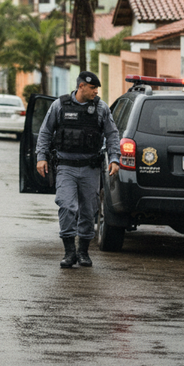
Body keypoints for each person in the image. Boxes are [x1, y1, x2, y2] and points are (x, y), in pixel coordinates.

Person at [36, 71, 120, 268]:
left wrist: (114, 158)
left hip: (90, 168)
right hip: (65, 166)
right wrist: (41, 157)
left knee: (88, 210)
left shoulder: (101, 108)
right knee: (67, 206)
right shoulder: (60, 105)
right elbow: (45, 132)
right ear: (81, 86)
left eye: (96, 88)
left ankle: (83, 252)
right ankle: (69, 252)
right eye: (92, 88)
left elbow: (112, 134)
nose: (96, 92)